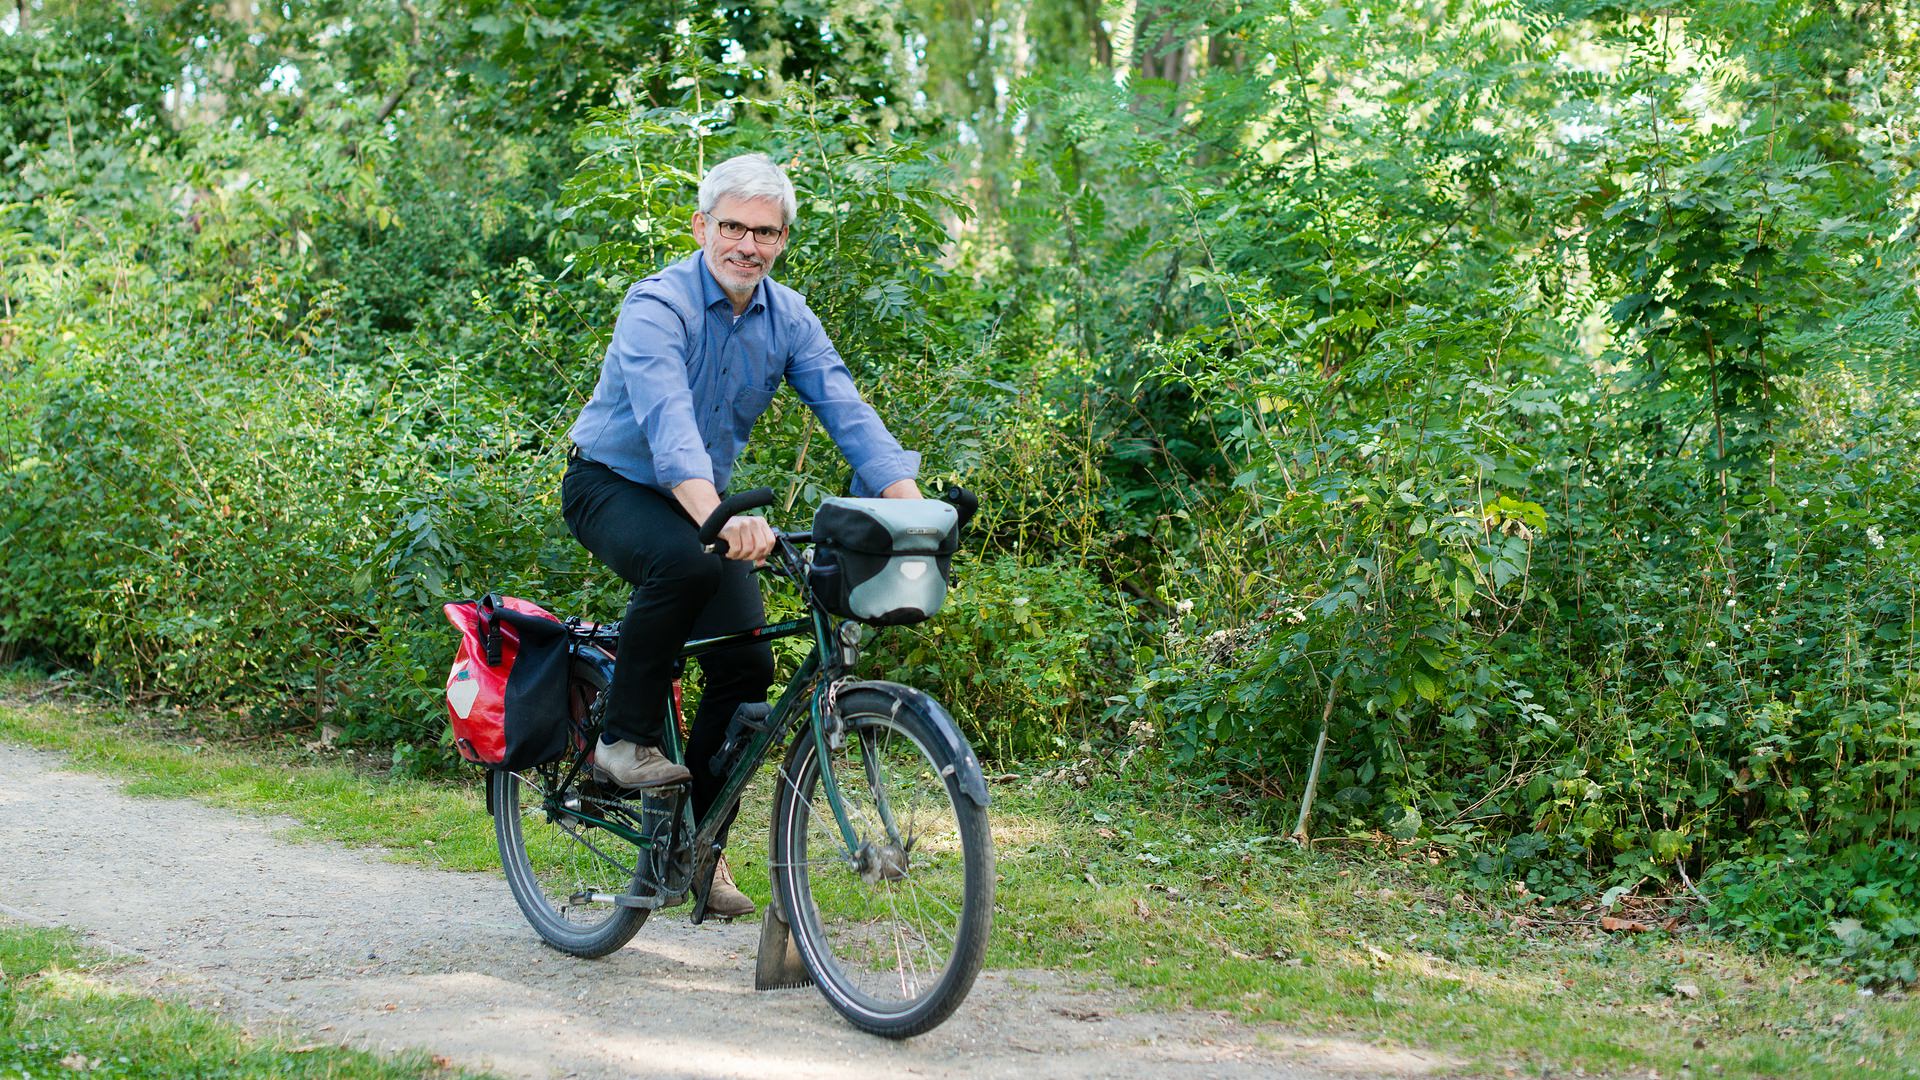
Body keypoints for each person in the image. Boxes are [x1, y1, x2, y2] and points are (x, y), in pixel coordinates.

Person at [561, 153, 922, 918]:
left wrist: (909, 506)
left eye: (765, 232)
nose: (747, 245)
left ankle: (693, 849)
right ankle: (619, 739)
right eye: (733, 226)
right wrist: (718, 518)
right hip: (612, 483)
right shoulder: (657, 305)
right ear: (702, 227)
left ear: (784, 239)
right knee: (683, 567)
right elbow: (668, 428)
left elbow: (847, 411)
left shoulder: (787, 316)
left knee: (748, 663)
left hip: (699, 500)